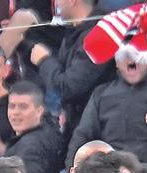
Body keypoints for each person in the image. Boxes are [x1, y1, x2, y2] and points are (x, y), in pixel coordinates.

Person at [65, 52, 147, 168]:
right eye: (125, 54)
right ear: (117, 62)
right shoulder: (101, 94)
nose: (131, 58)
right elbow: (82, 137)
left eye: (137, 53)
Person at [22, 0, 116, 142]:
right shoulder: (73, 32)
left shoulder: (99, 34)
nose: (56, 4)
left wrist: (44, 60)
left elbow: (70, 87)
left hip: (99, 131)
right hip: (78, 124)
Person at [4, 81, 64, 173]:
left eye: (23, 107)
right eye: (12, 106)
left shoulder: (31, 144)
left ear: (39, 111)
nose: (16, 112)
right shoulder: (47, 132)